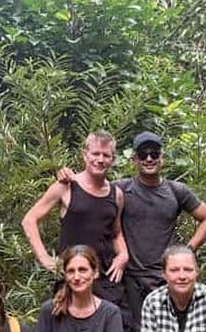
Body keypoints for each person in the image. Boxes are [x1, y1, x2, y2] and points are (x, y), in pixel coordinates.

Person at [118, 132, 206, 332]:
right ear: (134, 159)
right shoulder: (122, 189)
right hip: (129, 276)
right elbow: (91, 191)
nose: (149, 158)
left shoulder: (176, 191)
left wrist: (186, 251)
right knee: (131, 329)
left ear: (162, 157)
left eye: (154, 153)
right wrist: (66, 178)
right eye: (143, 154)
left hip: (165, 277)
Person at [21, 130, 129, 306]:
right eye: (95, 153)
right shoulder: (66, 187)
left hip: (105, 280)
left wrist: (124, 255)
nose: (100, 159)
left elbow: (116, 233)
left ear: (112, 159)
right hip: (73, 278)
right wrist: (44, 258)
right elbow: (29, 220)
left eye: (106, 155)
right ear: (85, 155)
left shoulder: (116, 195)